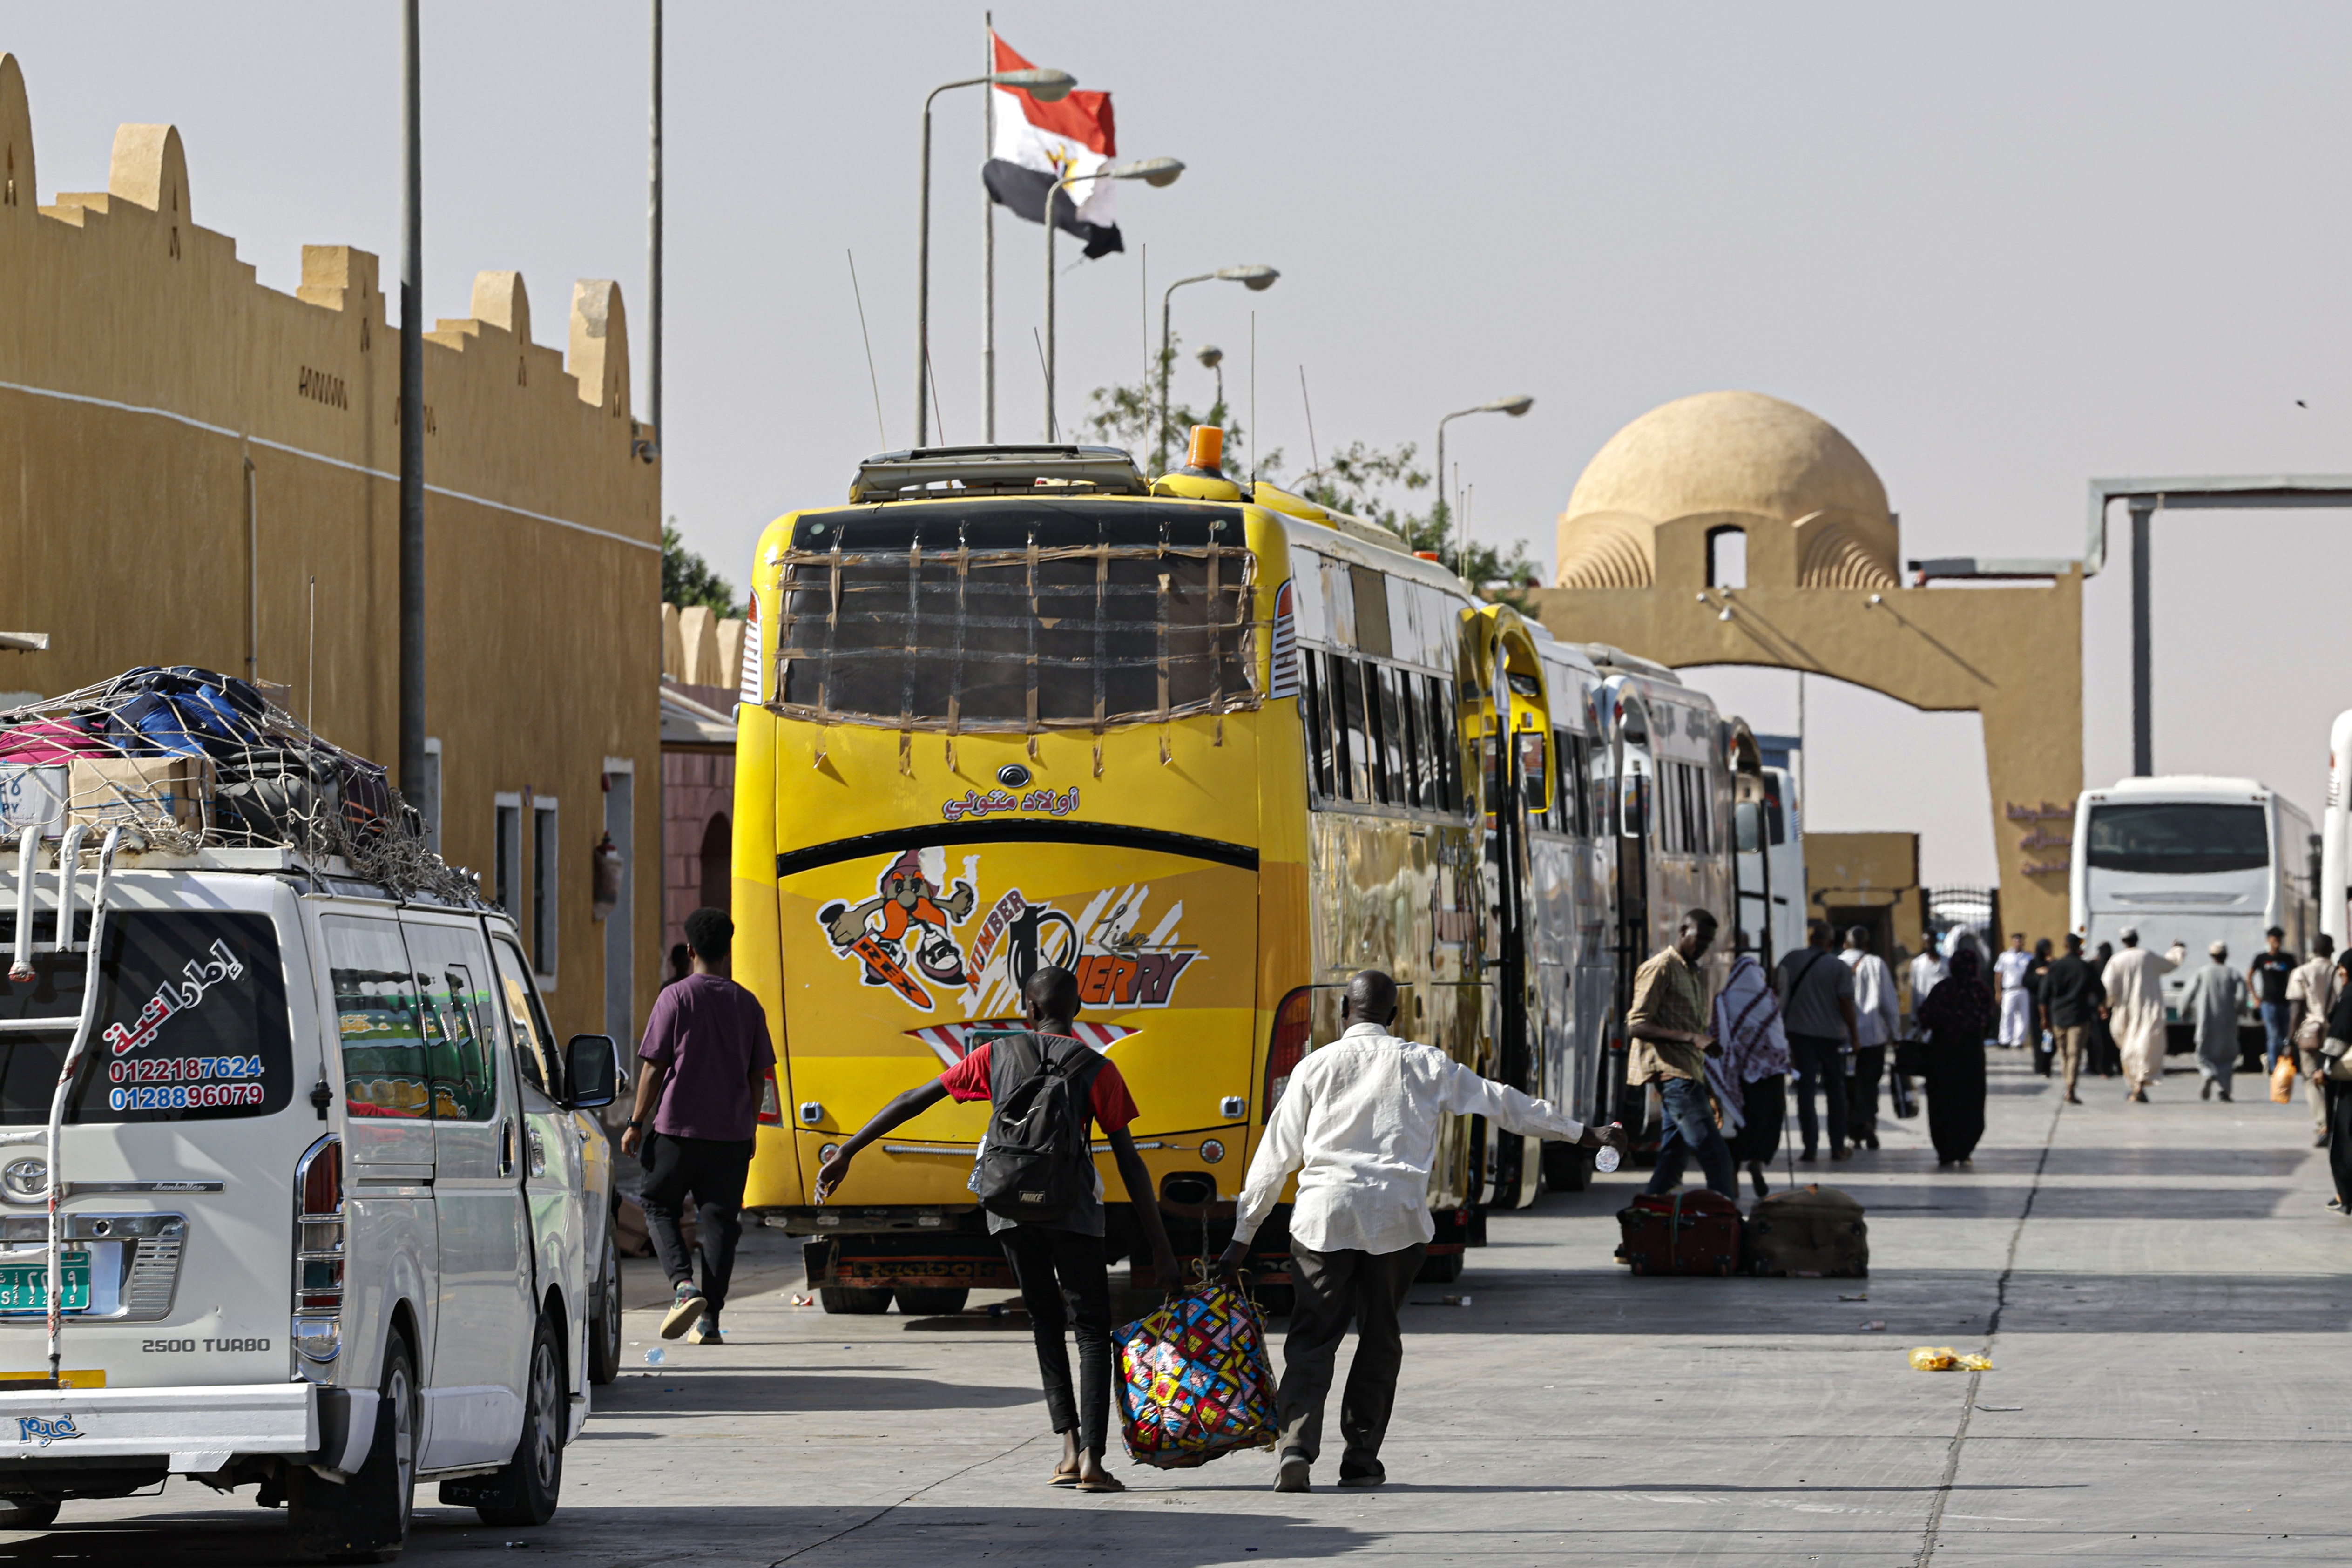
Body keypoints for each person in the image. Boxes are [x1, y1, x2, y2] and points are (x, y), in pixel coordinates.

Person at [1215, 969, 1625, 1493]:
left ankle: (1296, 1446)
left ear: (1343, 1010)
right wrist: (1582, 1133)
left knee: (1312, 1338)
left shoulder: (1314, 1066)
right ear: (1393, 1015)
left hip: (1324, 1217)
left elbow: (1274, 1159)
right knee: (1379, 1337)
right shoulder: (1425, 1063)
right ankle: (1360, 1459)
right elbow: (1503, 1103)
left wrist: (1242, 1238)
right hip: (1398, 1218)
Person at [818, 966, 1181, 1494]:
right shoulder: (1097, 1068)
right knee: (1090, 1329)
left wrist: (848, 1150)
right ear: (1077, 1010)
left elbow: (914, 1099)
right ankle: (1092, 1460)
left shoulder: (995, 1056)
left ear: (1029, 1010)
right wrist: (1162, 1250)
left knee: (1044, 1320)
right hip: (1075, 1212)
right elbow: (1130, 1163)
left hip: (1010, 1210)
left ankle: (1067, 1448)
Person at [622, 906, 777, 1345]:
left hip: (677, 1132)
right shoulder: (748, 1004)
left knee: (658, 1205)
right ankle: (710, 1322)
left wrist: (635, 1122)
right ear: (728, 951)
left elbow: (654, 1068)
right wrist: (749, 1128)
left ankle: (683, 1286)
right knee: (722, 1222)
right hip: (731, 1136)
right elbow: (758, 1077)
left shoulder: (675, 997)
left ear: (690, 950)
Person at [1627, 910, 1740, 1196]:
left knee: (1672, 1162)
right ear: (1682, 932)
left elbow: (1691, 1042)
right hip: (1673, 1077)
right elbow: (1636, 1025)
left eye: (1708, 941)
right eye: (1698, 938)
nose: (1702, 946)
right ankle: (1725, 1217)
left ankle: (1645, 1215)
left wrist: (1708, 1088)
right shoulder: (1660, 967)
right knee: (1716, 1155)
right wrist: (1692, 1038)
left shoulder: (1691, 972)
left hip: (1688, 1075)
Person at [1773, 919, 1860, 1162]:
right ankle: (1837, 1147)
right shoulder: (1839, 967)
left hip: (1799, 1034)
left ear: (1811, 939)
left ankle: (1810, 1147)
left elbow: (1777, 992)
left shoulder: (1791, 959)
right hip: (1832, 1037)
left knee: (1806, 1091)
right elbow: (1846, 1003)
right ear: (1831, 943)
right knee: (1836, 1091)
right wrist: (1855, 1036)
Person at [1710, 952, 1792, 1198]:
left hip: (1736, 1074)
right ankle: (1758, 1160)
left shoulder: (1723, 999)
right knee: (1767, 1120)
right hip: (1769, 1074)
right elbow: (1778, 1036)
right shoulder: (1767, 998)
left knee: (1736, 1122)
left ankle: (1733, 1176)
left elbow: (1717, 1034)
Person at [1918, 945, 1995, 1167]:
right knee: (1970, 1102)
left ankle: (1945, 1150)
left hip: (1942, 1055)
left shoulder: (1943, 989)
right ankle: (1964, 1149)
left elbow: (1925, 1016)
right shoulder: (1979, 990)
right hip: (1971, 1056)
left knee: (1942, 1102)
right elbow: (1988, 1020)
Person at [2103, 926, 2186, 1103]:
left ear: (2123, 941)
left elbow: (2108, 988)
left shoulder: (2117, 960)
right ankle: (2138, 1085)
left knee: (2130, 1048)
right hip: (2148, 1010)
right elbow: (2169, 963)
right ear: (2137, 939)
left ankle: (2138, 1086)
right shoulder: (2147, 956)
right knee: (2145, 1046)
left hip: (2125, 1011)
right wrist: (2177, 949)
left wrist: (2106, 1005)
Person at [1840, 926, 1899, 1152]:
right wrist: (1896, 1035)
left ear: (1845, 944)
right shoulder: (1876, 964)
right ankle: (1868, 1123)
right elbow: (1889, 1003)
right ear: (1866, 945)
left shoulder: (1836, 964)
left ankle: (1853, 1133)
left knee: (1848, 1086)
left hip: (1844, 1039)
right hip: (1873, 1038)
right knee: (1869, 1085)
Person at [2041, 932, 2106, 1105]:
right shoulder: (2086, 967)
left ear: (2065, 946)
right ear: (2079, 947)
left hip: (2058, 1016)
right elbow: (2100, 991)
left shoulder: (2055, 967)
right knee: (2075, 1053)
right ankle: (2070, 1087)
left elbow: (2044, 995)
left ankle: (2068, 1084)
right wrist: (2099, 1006)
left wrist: (2044, 1018)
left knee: (2064, 1054)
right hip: (2079, 1016)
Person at [2287, 934, 2338, 1149]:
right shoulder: (2339, 972)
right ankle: (2335, 1121)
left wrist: (2289, 1040)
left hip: (2310, 1034)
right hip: (2335, 1033)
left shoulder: (2301, 972)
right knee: (2333, 1078)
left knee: (2310, 1079)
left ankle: (2323, 1125)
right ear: (2331, 950)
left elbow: (2296, 1010)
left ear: (2314, 949)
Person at [2181, 941, 2245, 1102]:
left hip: (2206, 1021)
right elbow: (2242, 997)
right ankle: (2224, 1090)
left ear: (2211, 955)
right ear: (2226, 955)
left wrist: (2184, 1012)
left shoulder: (2202, 973)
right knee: (2227, 1057)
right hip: (2228, 1023)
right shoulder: (2233, 973)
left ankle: (2208, 1073)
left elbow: (2187, 995)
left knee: (2203, 1054)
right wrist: (2240, 1011)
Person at [2319, 956, 2352, 1212]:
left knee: (2343, 1137)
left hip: (2348, 1082)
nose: (2340, 973)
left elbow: (2339, 1034)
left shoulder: (2349, 997)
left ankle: (2346, 1196)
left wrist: (2324, 1066)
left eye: (2342, 968)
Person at [2248, 926, 2299, 1077]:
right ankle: (2273, 1067)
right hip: (2268, 1003)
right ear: (2269, 940)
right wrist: (2255, 997)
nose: (2277, 943)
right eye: (2274, 939)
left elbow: (2297, 976)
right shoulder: (2262, 958)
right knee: (2273, 1035)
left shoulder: (2288, 959)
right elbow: (2249, 977)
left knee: (2286, 1036)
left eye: (2279, 940)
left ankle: (2285, 1064)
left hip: (2285, 1002)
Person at [1993, 933, 2034, 1050]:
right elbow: (1999, 975)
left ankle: (2018, 1041)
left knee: (2023, 1017)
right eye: (2016, 940)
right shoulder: (2005, 956)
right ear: (2012, 942)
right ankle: (2005, 1040)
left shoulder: (2029, 957)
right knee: (2007, 1014)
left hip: (2024, 989)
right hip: (2009, 989)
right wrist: (1998, 992)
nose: (2018, 943)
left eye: (2020, 940)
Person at [2088, 941, 2122, 1078]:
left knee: (2098, 1040)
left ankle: (2100, 1067)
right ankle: (2117, 1065)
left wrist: (2099, 1005)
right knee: (2113, 1039)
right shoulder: (2115, 966)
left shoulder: (2094, 966)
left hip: (2097, 1010)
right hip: (2113, 1008)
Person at [2025, 938, 2056, 1076]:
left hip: (2050, 1004)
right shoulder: (2033, 964)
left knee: (2049, 1035)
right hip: (2036, 1004)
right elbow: (2026, 981)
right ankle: (2040, 1065)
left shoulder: (2054, 964)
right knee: (2038, 1035)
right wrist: (2037, 974)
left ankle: (2047, 1063)